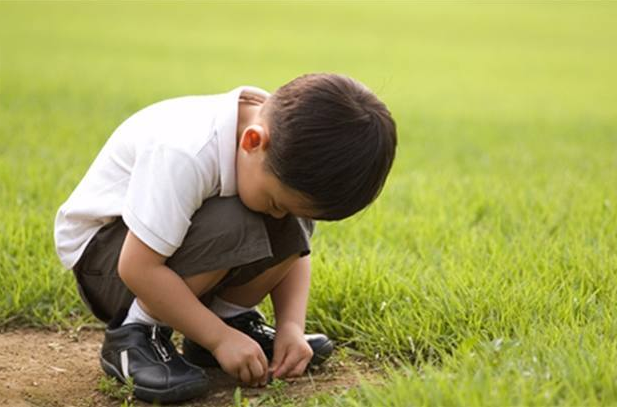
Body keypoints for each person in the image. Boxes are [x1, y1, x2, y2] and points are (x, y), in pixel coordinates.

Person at [54, 73, 397, 404]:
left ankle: (228, 320)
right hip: (106, 262)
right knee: (239, 222)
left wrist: (291, 327)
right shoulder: (185, 152)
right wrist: (220, 340)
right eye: (277, 202)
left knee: (284, 221)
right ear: (252, 141)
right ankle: (135, 334)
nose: (279, 215)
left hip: (161, 256)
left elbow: (296, 249)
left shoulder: (280, 137)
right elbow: (137, 268)